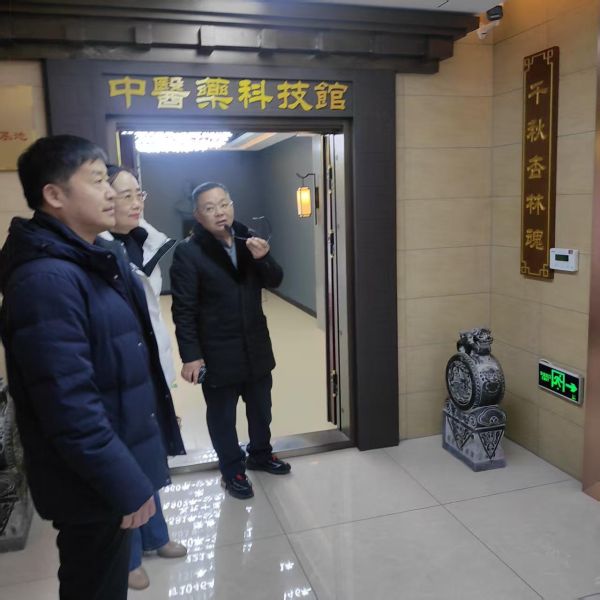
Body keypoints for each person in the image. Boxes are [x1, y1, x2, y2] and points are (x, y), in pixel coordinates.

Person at [0, 135, 184, 600]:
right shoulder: (47, 279)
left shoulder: (93, 258)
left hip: (108, 466)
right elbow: (69, 407)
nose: (111, 193)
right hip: (91, 482)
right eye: (98, 181)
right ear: (54, 195)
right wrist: (124, 482)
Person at [170, 181, 290, 501]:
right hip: (217, 350)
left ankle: (260, 454)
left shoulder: (248, 239)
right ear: (198, 215)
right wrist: (191, 356)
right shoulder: (188, 252)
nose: (219, 212)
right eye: (210, 208)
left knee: (261, 409)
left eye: (224, 204)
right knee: (222, 416)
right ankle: (232, 470)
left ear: (232, 205)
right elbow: (183, 309)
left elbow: (275, 279)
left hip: (256, 345)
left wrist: (264, 258)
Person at [100, 164, 186, 590]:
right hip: (118, 374)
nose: (137, 203)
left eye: (140, 193)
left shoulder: (140, 241)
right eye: (126, 195)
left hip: (148, 368)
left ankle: (155, 535)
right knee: (125, 464)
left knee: (149, 456)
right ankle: (128, 556)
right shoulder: (96, 252)